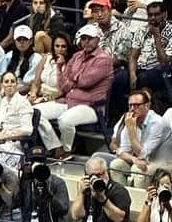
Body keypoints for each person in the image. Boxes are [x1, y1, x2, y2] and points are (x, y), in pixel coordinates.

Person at [31, 23, 112, 155]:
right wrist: (59, 68)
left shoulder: (104, 59)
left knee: (65, 120)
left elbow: (86, 81)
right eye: (84, 38)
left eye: (90, 38)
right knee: (35, 112)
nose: (86, 42)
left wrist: (72, 79)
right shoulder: (76, 56)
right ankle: (55, 146)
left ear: (97, 39)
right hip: (68, 101)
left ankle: (66, 150)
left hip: (91, 106)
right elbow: (63, 85)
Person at [109, 85, 172, 184]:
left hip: (165, 164)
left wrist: (131, 131)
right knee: (116, 165)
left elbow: (143, 154)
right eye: (130, 105)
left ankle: (141, 199)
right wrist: (133, 159)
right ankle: (121, 197)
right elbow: (121, 151)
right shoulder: (131, 120)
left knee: (138, 170)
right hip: (144, 162)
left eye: (137, 105)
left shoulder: (157, 123)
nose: (132, 109)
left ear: (147, 105)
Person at [69, 151, 130, 222]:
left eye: (99, 175)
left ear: (106, 172)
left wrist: (103, 200)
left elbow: (120, 219)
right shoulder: (87, 188)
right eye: (92, 176)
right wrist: (81, 193)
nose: (96, 179)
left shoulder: (119, 191)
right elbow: (76, 216)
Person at [16, 138, 70, 222]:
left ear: (45, 163)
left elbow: (64, 209)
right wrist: (23, 178)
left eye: (41, 161)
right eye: (34, 161)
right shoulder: (26, 181)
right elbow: (15, 204)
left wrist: (49, 195)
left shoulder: (58, 182)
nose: (38, 164)